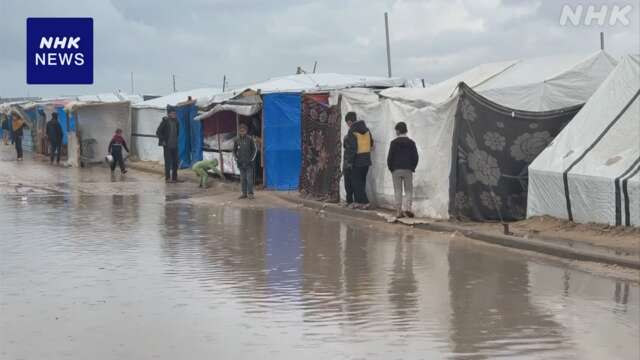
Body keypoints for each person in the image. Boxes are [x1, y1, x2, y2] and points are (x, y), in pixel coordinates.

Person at [387, 122, 419, 218]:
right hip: (408, 169)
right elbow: (415, 157)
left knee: (398, 191)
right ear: (406, 130)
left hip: (396, 170)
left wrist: (391, 168)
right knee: (408, 190)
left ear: (398, 131)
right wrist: (412, 167)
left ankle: (398, 211)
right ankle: (408, 209)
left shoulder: (393, 143)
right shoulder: (411, 143)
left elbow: (390, 158)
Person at [343, 111, 373, 209]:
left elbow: (352, 148)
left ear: (350, 121)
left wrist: (349, 162)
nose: (347, 125)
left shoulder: (352, 131)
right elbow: (371, 143)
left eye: (347, 123)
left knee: (356, 183)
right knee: (362, 182)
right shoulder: (367, 130)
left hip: (357, 161)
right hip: (366, 161)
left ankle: (365, 202)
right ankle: (359, 202)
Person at [233, 123, 257, 199]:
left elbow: (254, 149)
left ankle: (250, 194)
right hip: (240, 163)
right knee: (243, 180)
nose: (242, 132)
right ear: (239, 131)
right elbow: (234, 150)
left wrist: (251, 159)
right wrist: (236, 158)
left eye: (243, 131)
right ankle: (244, 194)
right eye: (241, 131)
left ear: (246, 131)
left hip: (249, 164)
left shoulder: (250, 139)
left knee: (249, 179)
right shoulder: (237, 140)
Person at [156, 106, 180, 183]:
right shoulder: (165, 121)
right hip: (167, 145)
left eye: (175, 113)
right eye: (173, 113)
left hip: (175, 145)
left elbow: (177, 132)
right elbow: (158, 132)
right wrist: (162, 140)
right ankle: (167, 178)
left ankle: (174, 178)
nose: (174, 114)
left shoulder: (176, 121)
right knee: (168, 162)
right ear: (169, 114)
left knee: (175, 162)